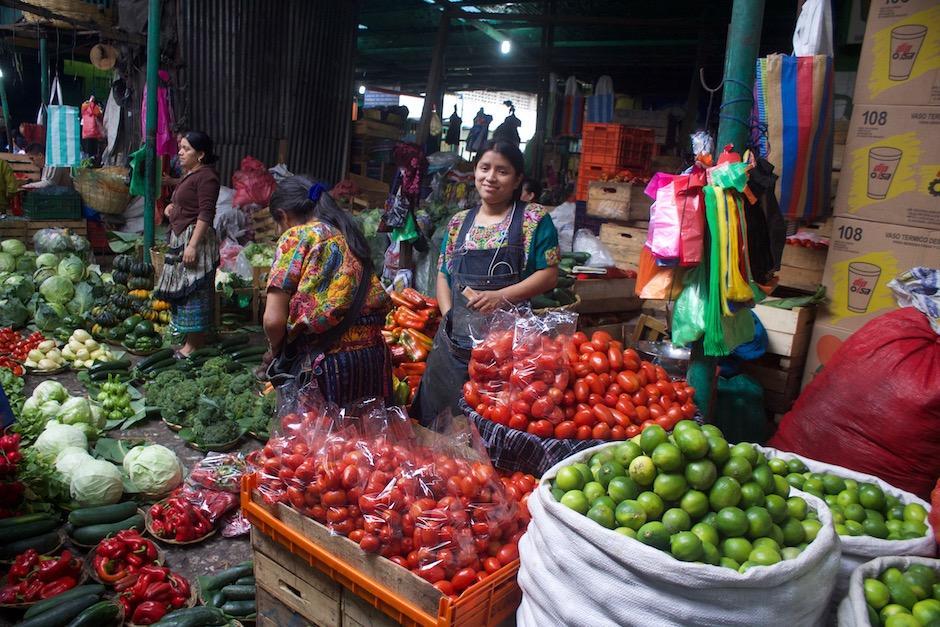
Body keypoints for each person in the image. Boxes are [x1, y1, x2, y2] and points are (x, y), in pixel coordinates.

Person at [413, 140, 560, 424]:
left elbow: (549, 274)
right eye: (484, 168)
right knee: (438, 428)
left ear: (517, 179)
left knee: (494, 428)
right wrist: (449, 315)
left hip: (509, 353)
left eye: (502, 171)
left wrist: (500, 296)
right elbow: (444, 273)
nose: (491, 177)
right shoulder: (458, 222)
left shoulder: (533, 219)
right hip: (453, 349)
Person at [262, 175, 392, 407]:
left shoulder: (298, 236)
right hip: (372, 359)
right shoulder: (348, 233)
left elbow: (273, 320)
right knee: (364, 438)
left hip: (327, 366)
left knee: (324, 440)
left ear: (283, 215)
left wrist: (274, 349)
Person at [153, 131, 221, 357]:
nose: (179, 153)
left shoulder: (207, 177)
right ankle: (190, 340)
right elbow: (188, 204)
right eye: (180, 148)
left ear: (200, 154)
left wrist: (192, 246)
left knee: (195, 292)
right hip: (182, 237)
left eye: (186, 149)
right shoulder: (191, 174)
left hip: (196, 241)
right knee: (185, 291)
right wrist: (171, 209)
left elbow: (206, 213)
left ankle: (193, 347)